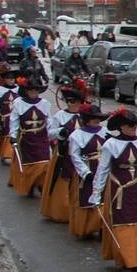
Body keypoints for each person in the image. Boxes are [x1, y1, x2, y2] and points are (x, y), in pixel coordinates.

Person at [91, 109, 137, 272]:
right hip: (120, 192)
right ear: (121, 127)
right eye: (130, 125)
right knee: (124, 224)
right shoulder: (110, 145)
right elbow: (102, 170)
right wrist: (96, 194)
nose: (134, 127)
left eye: (136, 124)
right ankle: (127, 260)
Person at [40, 86, 88, 223]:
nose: (71, 104)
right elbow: (50, 133)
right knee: (62, 180)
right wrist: (60, 132)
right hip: (64, 152)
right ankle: (61, 211)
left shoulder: (85, 116)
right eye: (69, 101)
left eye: (75, 101)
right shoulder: (60, 115)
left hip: (82, 155)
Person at [67, 108, 108, 241]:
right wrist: (85, 173)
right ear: (86, 119)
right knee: (87, 197)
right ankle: (87, 227)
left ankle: (103, 227)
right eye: (93, 117)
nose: (97, 120)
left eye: (98, 117)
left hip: (103, 169)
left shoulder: (105, 132)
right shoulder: (77, 135)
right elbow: (75, 156)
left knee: (104, 198)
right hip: (88, 169)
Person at [8, 77, 52, 198]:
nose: (33, 92)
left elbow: (49, 121)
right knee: (30, 165)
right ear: (26, 91)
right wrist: (12, 135)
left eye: (36, 90)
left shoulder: (45, 104)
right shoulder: (19, 104)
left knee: (44, 163)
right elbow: (14, 121)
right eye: (31, 90)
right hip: (27, 140)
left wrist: (52, 135)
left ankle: (42, 185)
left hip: (42, 138)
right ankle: (30, 185)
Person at [0, 76, 19, 166]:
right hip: (4, 118)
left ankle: (10, 154)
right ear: (5, 79)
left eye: (13, 78)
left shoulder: (19, 89)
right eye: (9, 78)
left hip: (16, 117)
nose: (11, 80)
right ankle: (4, 154)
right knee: (4, 134)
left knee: (13, 135)